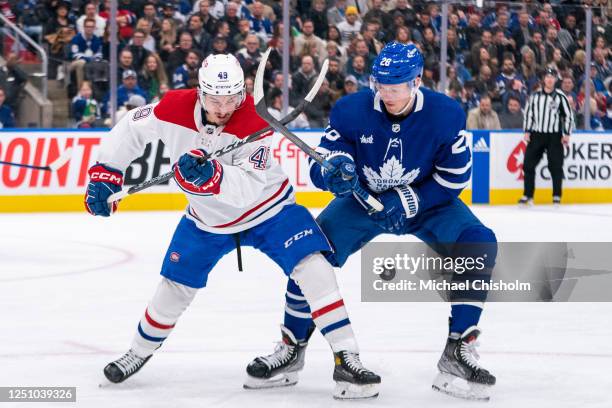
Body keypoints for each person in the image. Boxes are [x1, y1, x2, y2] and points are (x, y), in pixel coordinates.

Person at [86, 54, 380, 399]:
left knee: (313, 266)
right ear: (200, 93)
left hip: (271, 209)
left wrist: (212, 177)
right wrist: (106, 172)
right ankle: (137, 352)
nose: (224, 107)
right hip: (207, 220)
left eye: (231, 98)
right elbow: (130, 129)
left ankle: (347, 355)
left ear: (242, 92)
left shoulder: (255, 118)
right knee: (174, 286)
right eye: (215, 99)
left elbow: (249, 189)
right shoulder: (172, 108)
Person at [246, 42, 498, 401]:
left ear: (417, 81)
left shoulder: (446, 114)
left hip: (428, 204)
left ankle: (458, 349)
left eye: (395, 88)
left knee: (478, 242)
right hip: (363, 202)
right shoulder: (352, 109)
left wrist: (409, 199)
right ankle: (291, 346)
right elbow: (326, 161)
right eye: (380, 86)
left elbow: (454, 178)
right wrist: (332, 173)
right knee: (309, 253)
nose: (386, 95)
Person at [520, 67, 574, 206]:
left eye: (552, 77)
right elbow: (528, 114)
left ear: (555, 80)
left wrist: (566, 133)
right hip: (537, 135)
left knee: (556, 166)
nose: (549, 80)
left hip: (554, 136)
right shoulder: (535, 97)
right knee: (528, 165)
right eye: (547, 77)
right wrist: (527, 131)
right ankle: (528, 195)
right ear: (543, 79)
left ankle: (556, 195)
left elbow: (568, 116)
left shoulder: (560, 97)